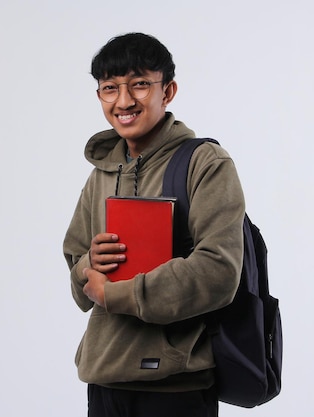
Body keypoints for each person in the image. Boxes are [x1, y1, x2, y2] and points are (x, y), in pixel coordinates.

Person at [63, 32, 245, 417]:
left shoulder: (205, 163)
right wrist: (87, 265)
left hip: (175, 386)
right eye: (110, 88)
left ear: (169, 91)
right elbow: (76, 266)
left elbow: (219, 270)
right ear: (99, 96)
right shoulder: (101, 174)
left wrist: (115, 295)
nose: (124, 101)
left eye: (140, 84)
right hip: (105, 380)